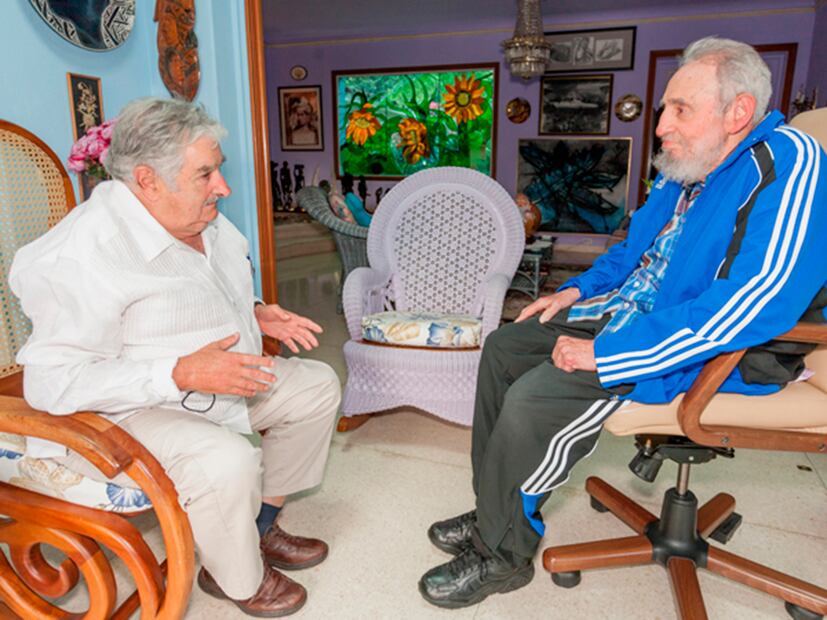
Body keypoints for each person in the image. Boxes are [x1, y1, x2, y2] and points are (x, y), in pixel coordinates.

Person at [418, 36, 827, 608]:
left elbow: (757, 301)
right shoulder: (694, 165)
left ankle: (503, 553)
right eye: (666, 109)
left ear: (738, 113)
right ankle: (496, 507)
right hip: (634, 316)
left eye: (680, 110)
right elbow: (633, 247)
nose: (662, 126)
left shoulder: (789, 162)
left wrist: (610, 354)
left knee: (536, 396)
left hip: (714, 346)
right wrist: (575, 291)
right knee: (505, 347)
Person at [9, 98, 341, 617]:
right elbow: (51, 384)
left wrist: (253, 312)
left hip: (211, 383)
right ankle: (238, 578)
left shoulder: (199, 217)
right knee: (227, 461)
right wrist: (178, 371)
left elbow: (200, 290)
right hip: (120, 409)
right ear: (147, 180)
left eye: (219, 170)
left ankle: (257, 527)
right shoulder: (82, 255)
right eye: (205, 174)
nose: (223, 188)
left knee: (317, 385)